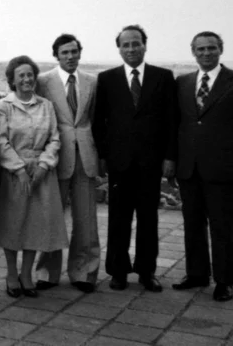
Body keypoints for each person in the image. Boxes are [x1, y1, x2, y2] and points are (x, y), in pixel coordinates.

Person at [172, 32, 233, 302]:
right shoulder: (182, 83)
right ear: (193, 52)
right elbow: (178, 126)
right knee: (192, 225)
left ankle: (224, 280)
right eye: (201, 49)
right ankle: (197, 274)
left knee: (223, 227)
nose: (206, 53)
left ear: (221, 50)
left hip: (223, 169)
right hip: (189, 168)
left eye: (211, 48)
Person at [92, 25, 176, 292]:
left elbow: (172, 122)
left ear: (145, 45)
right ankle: (118, 271)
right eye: (125, 44)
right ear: (119, 48)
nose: (131, 49)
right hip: (119, 162)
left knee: (148, 219)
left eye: (136, 43)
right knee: (118, 219)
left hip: (150, 162)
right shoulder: (106, 79)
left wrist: (169, 157)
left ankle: (146, 271)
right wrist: (104, 156)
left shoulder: (163, 77)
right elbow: (98, 123)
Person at [0, 55, 68, 298]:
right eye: (21, 75)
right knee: (12, 225)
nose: (27, 79)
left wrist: (43, 165)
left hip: (41, 174)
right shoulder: (3, 106)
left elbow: (54, 139)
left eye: (30, 74)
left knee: (35, 226)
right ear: (12, 80)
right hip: (13, 174)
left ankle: (27, 273)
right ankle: (11, 273)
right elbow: (0, 141)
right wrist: (18, 169)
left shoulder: (46, 106)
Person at [35, 34, 100, 293]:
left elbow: (95, 118)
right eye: (65, 53)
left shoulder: (92, 82)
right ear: (56, 56)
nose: (70, 56)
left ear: (80, 53)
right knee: (52, 216)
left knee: (86, 219)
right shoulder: (43, 81)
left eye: (74, 51)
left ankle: (84, 272)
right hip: (56, 156)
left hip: (85, 156)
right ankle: (47, 272)